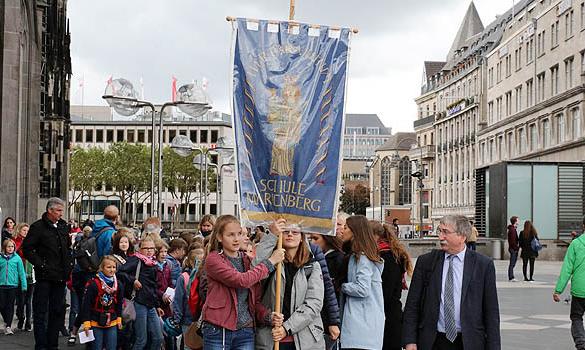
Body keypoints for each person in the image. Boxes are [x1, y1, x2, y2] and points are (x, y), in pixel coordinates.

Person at [402, 215, 500, 350]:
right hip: (433, 341)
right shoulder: (426, 262)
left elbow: (491, 312)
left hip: (469, 342)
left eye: (446, 232)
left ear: (462, 236)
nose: (441, 237)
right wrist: (410, 340)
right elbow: (412, 305)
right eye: (439, 231)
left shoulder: (483, 265)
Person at [202, 215, 285, 349]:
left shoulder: (247, 261)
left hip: (245, 330)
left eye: (239, 234)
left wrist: (268, 316)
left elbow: (253, 301)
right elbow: (241, 281)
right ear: (219, 237)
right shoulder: (213, 260)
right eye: (231, 235)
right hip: (219, 329)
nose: (236, 239)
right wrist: (271, 262)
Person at [255, 220, 325, 350]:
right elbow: (255, 268)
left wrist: (286, 328)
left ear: (301, 238)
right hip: (271, 337)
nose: (290, 235)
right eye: (286, 231)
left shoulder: (312, 265)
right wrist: (272, 235)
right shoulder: (272, 261)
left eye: (295, 232)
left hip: (305, 339)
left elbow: (314, 303)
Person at [22, 197, 73, 350]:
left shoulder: (64, 226)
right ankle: (41, 345)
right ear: (49, 210)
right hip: (44, 276)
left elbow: (67, 248)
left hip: (60, 277)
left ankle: (53, 344)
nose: (61, 214)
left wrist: (69, 265)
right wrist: (41, 264)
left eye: (62, 211)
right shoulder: (38, 227)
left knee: (57, 311)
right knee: (40, 312)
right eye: (58, 211)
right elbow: (27, 249)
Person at [338, 216, 384, 350]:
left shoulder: (362, 258)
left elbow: (362, 289)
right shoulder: (361, 256)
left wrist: (342, 286)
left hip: (360, 328)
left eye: (345, 228)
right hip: (366, 328)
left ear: (355, 231)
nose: (342, 230)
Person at [371, 221, 413, 350]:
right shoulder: (387, 253)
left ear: (374, 236)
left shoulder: (387, 257)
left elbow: (385, 293)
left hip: (388, 318)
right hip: (389, 316)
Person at [117, 237, 164, 350]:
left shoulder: (153, 263)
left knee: (158, 338)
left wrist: (157, 305)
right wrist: (133, 280)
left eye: (151, 248)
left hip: (151, 304)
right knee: (141, 339)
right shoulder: (135, 260)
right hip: (139, 302)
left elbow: (153, 287)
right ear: (140, 249)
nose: (149, 251)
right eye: (146, 248)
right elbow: (120, 272)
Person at [79, 255, 124, 350]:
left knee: (112, 347)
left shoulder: (118, 284)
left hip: (112, 320)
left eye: (114, 267)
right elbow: (86, 305)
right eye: (108, 267)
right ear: (102, 268)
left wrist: (119, 319)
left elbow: (119, 303)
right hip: (95, 321)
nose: (112, 270)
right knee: (97, 347)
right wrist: (86, 323)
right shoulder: (93, 284)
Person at [553, 216, 585, 350]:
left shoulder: (576, 244)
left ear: (583, 226)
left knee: (576, 317)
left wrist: (558, 290)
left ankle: (581, 343)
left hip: (579, 289)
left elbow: (567, 268)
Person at [309, 232, 344, 348]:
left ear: (327, 239)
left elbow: (329, 290)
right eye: (311, 239)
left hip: (326, 317)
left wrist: (333, 322)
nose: (312, 242)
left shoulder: (336, 258)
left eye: (316, 238)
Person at [0, 238, 27, 335]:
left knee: (10, 306)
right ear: (4, 247)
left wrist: (24, 285)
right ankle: (6, 321)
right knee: (2, 305)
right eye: (8, 246)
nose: (10, 248)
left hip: (13, 285)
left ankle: (8, 326)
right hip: (2, 285)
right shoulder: (0, 258)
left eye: (12, 246)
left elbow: (21, 273)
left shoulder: (17, 258)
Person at [13, 223, 34, 331]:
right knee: (20, 300)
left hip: (30, 273)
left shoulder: (32, 242)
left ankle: (28, 323)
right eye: (24, 230)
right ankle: (21, 318)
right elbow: (13, 252)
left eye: (27, 230)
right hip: (19, 274)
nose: (26, 232)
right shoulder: (15, 242)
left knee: (28, 300)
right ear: (19, 230)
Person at [507, 216, 520, 282]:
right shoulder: (512, 230)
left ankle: (511, 276)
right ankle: (511, 277)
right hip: (513, 249)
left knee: (513, 263)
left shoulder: (513, 229)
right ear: (515, 221)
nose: (519, 221)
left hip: (513, 248)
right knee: (512, 263)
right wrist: (516, 248)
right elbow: (512, 241)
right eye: (518, 220)